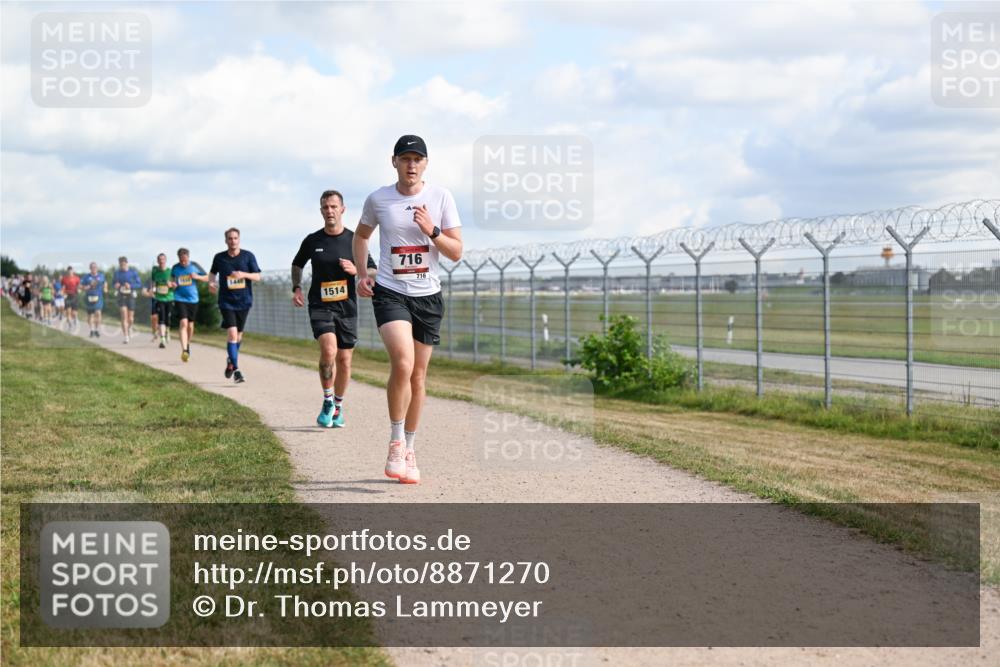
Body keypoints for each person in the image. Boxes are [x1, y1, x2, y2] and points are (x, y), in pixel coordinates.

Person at [353, 135, 463, 484]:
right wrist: (362, 273)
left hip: (428, 296)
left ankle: (411, 449)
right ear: (394, 162)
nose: (411, 165)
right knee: (403, 363)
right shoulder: (379, 199)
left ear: (426, 164)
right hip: (390, 291)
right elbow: (360, 236)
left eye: (417, 159)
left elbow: (456, 251)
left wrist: (431, 230)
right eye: (405, 159)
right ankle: (396, 440)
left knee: (418, 377)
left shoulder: (441, 197)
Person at [293, 190, 377, 428]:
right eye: (325, 207)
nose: (329, 211)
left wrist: (357, 271)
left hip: (347, 307)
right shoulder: (313, 240)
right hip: (320, 305)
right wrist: (296, 287)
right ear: (321, 211)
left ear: (342, 209)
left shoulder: (354, 240)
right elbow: (297, 263)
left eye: (333, 207)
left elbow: (372, 270)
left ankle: (338, 407)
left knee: (345, 359)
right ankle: (328, 400)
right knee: (329, 351)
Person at [209, 228, 262, 384]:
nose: (233, 241)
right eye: (230, 238)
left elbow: (258, 276)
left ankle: (231, 361)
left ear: (239, 239)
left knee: (238, 336)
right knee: (232, 334)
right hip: (226, 301)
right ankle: (237, 370)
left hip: (244, 301)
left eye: (235, 238)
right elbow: (212, 273)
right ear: (226, 240)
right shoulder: (219, 258)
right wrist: (211, 283)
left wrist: (243, 274)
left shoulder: (248, 256)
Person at [170, 248, 209, 362]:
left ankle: (188, 343)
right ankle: (185, 350)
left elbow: (208, 277)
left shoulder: (195, 265)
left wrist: (198, 277)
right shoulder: (175, 268)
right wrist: (172, 284)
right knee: (183, 323)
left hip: (193, 299)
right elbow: (172, 281)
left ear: (188, 257)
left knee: (190, 326)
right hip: (179, 298)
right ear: (178, 258)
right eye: (181, 260)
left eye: (185, 260)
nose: (183, 263)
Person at [112, 256, 142, 343]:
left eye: (124, 264)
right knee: (124, 316)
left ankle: (129, 328)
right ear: (119, 264)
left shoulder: (133, 272)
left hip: (131, 295)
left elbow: (139, 284)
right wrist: (115, 285)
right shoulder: (116, 273)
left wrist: (131, 286)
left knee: (131, 318)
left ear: (127, 263)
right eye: (121, 265)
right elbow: (113, 283)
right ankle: (126, 336)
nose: (122, 266)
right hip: (121, 296)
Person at [148, 253, 174, 349]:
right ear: (158, 261)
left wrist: (170, 284)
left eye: (163, 259)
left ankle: (167, 330)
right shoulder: (155, 271)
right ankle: (162, 339)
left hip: (169, 297)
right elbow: (153, 281)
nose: (161, 261)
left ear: (165, 260)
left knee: (168, 317)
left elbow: (175, 284)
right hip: (159, 298)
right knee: (161, 318)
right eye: (159, 259)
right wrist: (152, 288)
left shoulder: (170, 271)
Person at [80, 262, 107, 337]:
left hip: (98, 297)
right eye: (92, 267)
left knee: (98, 313)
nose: (94, 269)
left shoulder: (101, 276)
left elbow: (105, 283)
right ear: (90, 268)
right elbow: (80, 286)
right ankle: (91, 330)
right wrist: (86, 287)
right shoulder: (86, 277)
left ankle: (96, 329)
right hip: (89, 297)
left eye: (95, 267)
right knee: (90, 315)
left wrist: (105, 288)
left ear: (97, 268)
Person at [62, 266, 80, 331]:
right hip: (67, 296)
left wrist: (79, 289)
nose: (70, 272)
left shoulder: (76, 278)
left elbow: (78, 286)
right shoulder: (64, 279)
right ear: (67, 271)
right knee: (68, 312)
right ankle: (70, 326)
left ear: (73, 271)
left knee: (74, 313)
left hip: (74, 296)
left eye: (71, 270)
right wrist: (63, 293)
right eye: (69, 271)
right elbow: (63, 287)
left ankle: (75, 318)